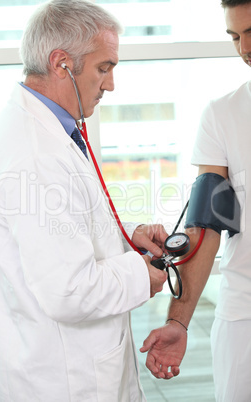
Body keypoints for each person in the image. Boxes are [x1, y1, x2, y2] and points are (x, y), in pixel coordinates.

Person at [0, 1, 169, 401]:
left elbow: (61, 231)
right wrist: (144, 274)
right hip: (63, 379)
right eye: (105, 67)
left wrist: (126, 237)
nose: (111, 84)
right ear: (61, 62)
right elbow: (69, 290)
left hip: (53, 362)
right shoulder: (34, 154)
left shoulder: (42, 130)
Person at [140, 1, 251, 401]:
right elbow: (205, 224)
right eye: (235, 37)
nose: (244, 49)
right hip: (245, 318)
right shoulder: (222, 114)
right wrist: (180, 321)